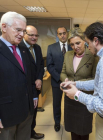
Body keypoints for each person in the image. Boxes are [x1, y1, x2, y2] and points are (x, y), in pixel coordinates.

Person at [0, 11, 38, 140]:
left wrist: (33, 96)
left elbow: (29, 76)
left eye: (23, 31)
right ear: (4, 27)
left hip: (27, 111)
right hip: (6, 114)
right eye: (18, 30)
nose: (21, 35)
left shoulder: (23, 48)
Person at [60, 29, 98, 140]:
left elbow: (95, 79)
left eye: (78, 43)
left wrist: (77, 85)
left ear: (84, 41)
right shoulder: (68, 55)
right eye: (72, 44)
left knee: (83, 127)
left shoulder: (93, 56)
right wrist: (65, 80)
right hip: (69, 98)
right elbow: (63, 72)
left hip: (84, 97)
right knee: (72, 125)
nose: (75, 46)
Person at [19, 25, 44, 139]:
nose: (34, 37)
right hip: (24, 87)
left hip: (36, 87)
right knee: (25, 112)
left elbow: (40, 65)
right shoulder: (19, 47)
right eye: (31, 35)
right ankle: (22, 134)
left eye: (36, 35)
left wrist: (39, 78)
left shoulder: (37, 48)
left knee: (34, 112)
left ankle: (31, 132)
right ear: (24, 34)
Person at [46, 27, 72, 132]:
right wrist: (60, 78)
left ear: (67, 34)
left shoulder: (73, 47)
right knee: (56, 104)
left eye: (64, 33)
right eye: (60, 34)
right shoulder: (51, 48)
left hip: (70, 82)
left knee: (70, 104)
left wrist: (69, 79)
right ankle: (57, 122)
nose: (62, 35)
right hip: (56, 81)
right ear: (57, 35)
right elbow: (49, 65)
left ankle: (68, 122)